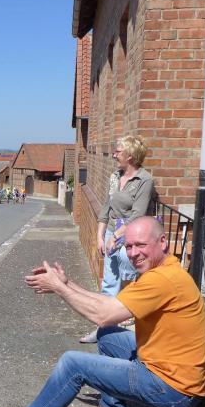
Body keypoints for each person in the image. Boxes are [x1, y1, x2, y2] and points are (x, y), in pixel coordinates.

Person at [0, 217, 205, 407]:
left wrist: (59, 289)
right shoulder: (164, 270)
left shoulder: (162, 279)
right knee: (108, 335)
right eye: (129, 246)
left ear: (162, 242)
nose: (133, 253)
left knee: (73, 364)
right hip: (172, 371)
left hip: (174, 389)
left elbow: (104, 314)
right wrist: (67, 283)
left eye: (140, 245)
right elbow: (110, 305)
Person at [81, 135, 155, 343]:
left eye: (118, 151)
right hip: (111, 234)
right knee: (108, 283)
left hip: (131, 237)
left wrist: (115, 237)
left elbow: (137, 215)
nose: (114, 155)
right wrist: (100, 235)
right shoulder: (115, 176)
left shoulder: (144, 180)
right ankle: (102, 329)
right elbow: (107, 207)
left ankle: (126, 321)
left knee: (127, 272)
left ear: (130, 155)